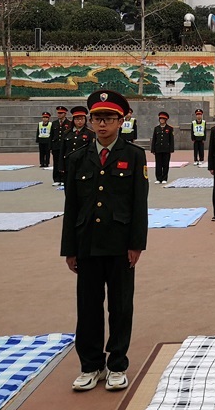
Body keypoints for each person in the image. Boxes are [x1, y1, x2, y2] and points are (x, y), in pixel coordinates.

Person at [61, 89, 148, 392]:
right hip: (86, 244)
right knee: (87, 308)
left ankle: (117, 364)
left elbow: (139, 205)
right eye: (97, 118)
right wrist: (69, 250)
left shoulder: (134, 156)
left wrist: (136, 245)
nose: (102, 124)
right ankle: (91, 365)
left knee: (120, 307)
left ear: (121, 121)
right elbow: (70, 207)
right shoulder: (77, 158)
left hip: (120, 244)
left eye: (109, 118)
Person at [150, 112, 174, 185]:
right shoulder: (156, 128)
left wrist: (171, 149)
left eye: (163, 119)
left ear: (166, 120)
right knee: (158, 164)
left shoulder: (169, 128)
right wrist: (153, 149)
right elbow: (154, 139)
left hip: (166, 149)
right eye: (160, 119)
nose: (161, 120)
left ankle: (164, 178)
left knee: (165, 164)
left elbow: (171, 140)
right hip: (158, 149)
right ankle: (158, 178)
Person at [52, 106, 74, 186]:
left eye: (61, 113)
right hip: (56, 146)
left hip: (65, 146)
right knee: (56, 162)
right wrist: (50, 147)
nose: (59, 115)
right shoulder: (54, 123)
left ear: (65, 114)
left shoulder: (69, 123)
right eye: (58, 113)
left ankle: (63, 179)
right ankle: (56, 179)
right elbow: (51, 135)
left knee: (64, 163)